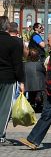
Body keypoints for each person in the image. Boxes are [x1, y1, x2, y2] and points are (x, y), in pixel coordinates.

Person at [0, 16, 25, 146]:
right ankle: (0, 136)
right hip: (8, 78)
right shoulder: (14, 42)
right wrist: (22, 81)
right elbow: (18, 64)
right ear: (7, 27)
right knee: (4, 108)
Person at [23, 49, 45, 113]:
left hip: (28, 85)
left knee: (31, 94)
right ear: (38, 56)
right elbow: (45, 72)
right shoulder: (40, 64)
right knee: (39, 90)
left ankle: (32, 103)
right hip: (39, 85)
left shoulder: (24, 64)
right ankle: (38, 101)